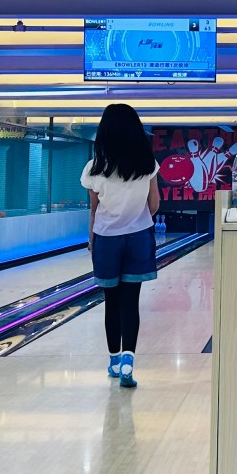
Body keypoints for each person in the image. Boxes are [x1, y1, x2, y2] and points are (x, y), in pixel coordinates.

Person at [81, 103, 161, 388]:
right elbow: (154, 204)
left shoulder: (94, 168)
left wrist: (92, 240)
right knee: (131, 302)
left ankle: (114, 361)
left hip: (106, 239)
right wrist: (136, 219)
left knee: (111, 303)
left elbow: (94, 210)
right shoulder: (148, 165)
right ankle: (129, 361)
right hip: (138, 237)